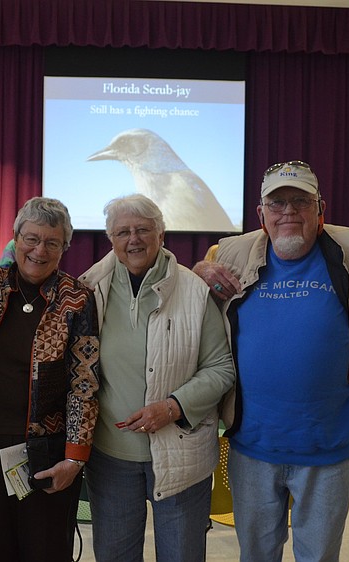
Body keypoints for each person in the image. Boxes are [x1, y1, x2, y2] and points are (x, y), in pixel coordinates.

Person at [192, 160, 349, 561]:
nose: (288, 212)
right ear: (260, 213)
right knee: (256, 555)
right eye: (277, 202)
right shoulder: (233, 251)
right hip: (252, 445)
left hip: (328, 446)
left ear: (320, 210)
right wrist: (198, 272)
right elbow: (192, 299)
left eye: (300, 201)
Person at [78, 194, 235, 562]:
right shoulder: (90, 287)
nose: (134, 239)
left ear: (161, 234)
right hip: (111, 456)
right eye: (123, 232)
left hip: (181, 453)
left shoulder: (195, 291)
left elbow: (221, 367)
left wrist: (172, 407)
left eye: (143, 229)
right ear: (111, 240)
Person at [0, 197, 100, 562]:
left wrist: (75, 458)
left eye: (52, 242)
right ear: (15, 238)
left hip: (48, 453)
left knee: (46, 551)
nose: (39, 250)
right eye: (31, 238)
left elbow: (84, 384)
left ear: (64, 247)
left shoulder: (76, 299)